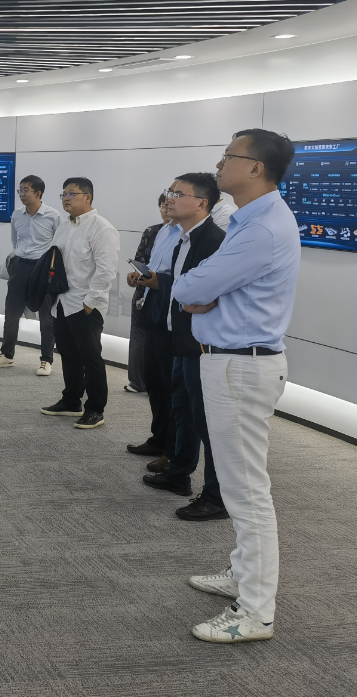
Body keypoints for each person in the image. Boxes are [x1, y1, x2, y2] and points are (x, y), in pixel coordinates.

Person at [172, 129, 300, 644]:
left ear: (255, 168)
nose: (220, 164)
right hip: (233, 363)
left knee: (246, 492)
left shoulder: (261, 228)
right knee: (239, 484)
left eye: (229, 156)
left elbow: (190, 286)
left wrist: (202, 292)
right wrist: (203, 293)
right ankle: (243, 574)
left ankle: (255, 612)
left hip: (241, 368)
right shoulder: (251, 219)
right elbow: (199, 290)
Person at [137, 173, 227, 523]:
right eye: (169, 192)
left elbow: (210, 293)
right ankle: (179, 473)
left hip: (202, 343)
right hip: (180, 336)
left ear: (202, 203)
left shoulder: (214, 241)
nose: (169, 199)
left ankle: (216, 497)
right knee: (183, 411)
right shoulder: (180, 239)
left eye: (178, 193)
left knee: (206, 421)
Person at [39, 177, 120, 429]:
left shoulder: (102, 228)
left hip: (86, 305)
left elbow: (106, 271)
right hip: (62, 302)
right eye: (64, 194)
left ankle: (95, 408)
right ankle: (71, 400)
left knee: (91, 358)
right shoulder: (64, 226)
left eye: (72, 194)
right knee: (68, 354)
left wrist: (90, 302)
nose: (66, 198)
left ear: (88, 197)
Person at [0, 175, 62, 374]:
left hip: (43, 269)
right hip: (20, 266)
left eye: (26, 190)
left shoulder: (52, 215)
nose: (21, 193)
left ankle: (46, 360)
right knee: (12, 312)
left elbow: (59, 245)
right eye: (20, 189)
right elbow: (15, 240)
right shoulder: (17, 215)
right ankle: (6, 355)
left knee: (46, 316)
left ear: (38, 193)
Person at [125, 196, 181, 462]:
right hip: (150, 308)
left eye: (174, 199)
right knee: (155, 382)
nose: (167, 207)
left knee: (172, 388)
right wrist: (140, 276)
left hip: (173, 315)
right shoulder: (160, 232)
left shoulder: (194, 235)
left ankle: (173, 452)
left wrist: (157, 281)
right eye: (164, 202)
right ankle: (158, 439)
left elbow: (186, 278)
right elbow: (149, 264)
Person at [125, 194, 171, 394]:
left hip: (164, 293)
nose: (165, 209)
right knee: (137, 337)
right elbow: (140, 260)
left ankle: (155, 383)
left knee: (158, 341)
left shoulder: (184, 234)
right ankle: (137, 381)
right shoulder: (152, 231)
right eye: (162, 205)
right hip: (143, 291)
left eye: (169, 204)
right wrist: (135, 275)